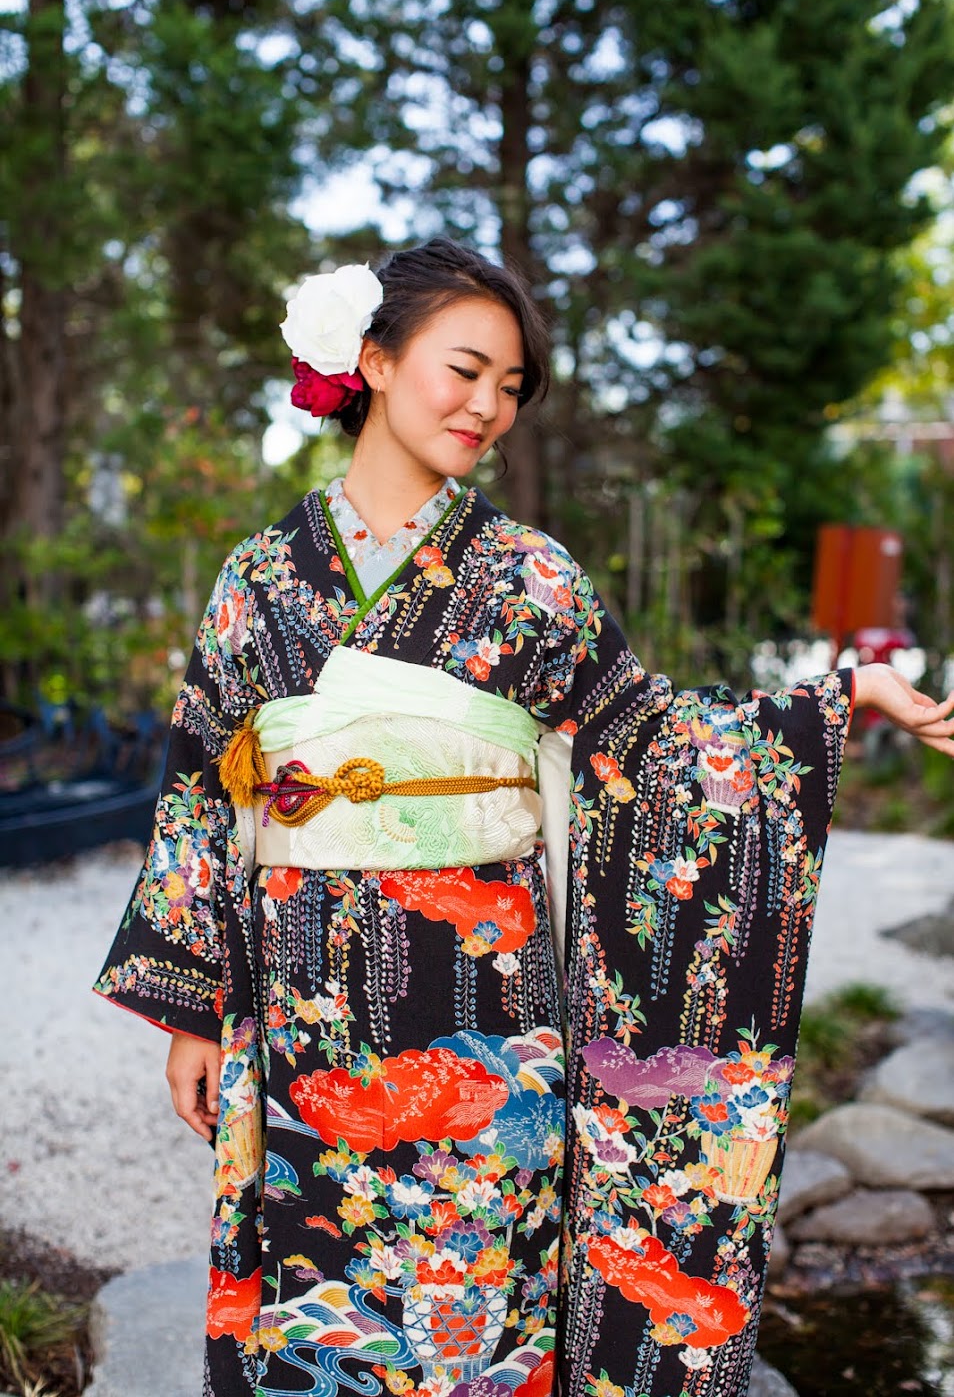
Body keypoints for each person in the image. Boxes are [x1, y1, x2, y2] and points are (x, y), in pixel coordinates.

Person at [95, 238, 954, 1397]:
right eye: (465, 371)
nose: (488, 407)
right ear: (375, 361)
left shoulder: (532, 577)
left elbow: (650, 747)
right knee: (314, 1273)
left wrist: (843, 697)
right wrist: (192, 1010)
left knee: (481, 1275)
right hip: (301, 991)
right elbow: (203, 782)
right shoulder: (259, 578)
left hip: (484, 1002)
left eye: (510, 387)